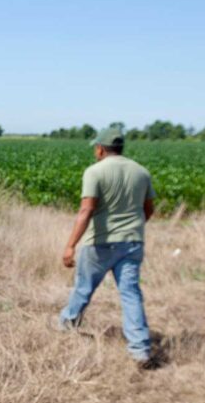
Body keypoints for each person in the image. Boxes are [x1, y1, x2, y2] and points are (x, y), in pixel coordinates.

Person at [56, 126, 156, 369]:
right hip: (133, 242)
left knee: (83, 288)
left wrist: (70, 245)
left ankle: (67, 325)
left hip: (100, 242)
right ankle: (140, 349)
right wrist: (132, 226)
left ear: (100, 149)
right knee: (130, 293)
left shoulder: (95, 172)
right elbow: (149, 208)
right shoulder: (141, 172)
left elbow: (86, 209)